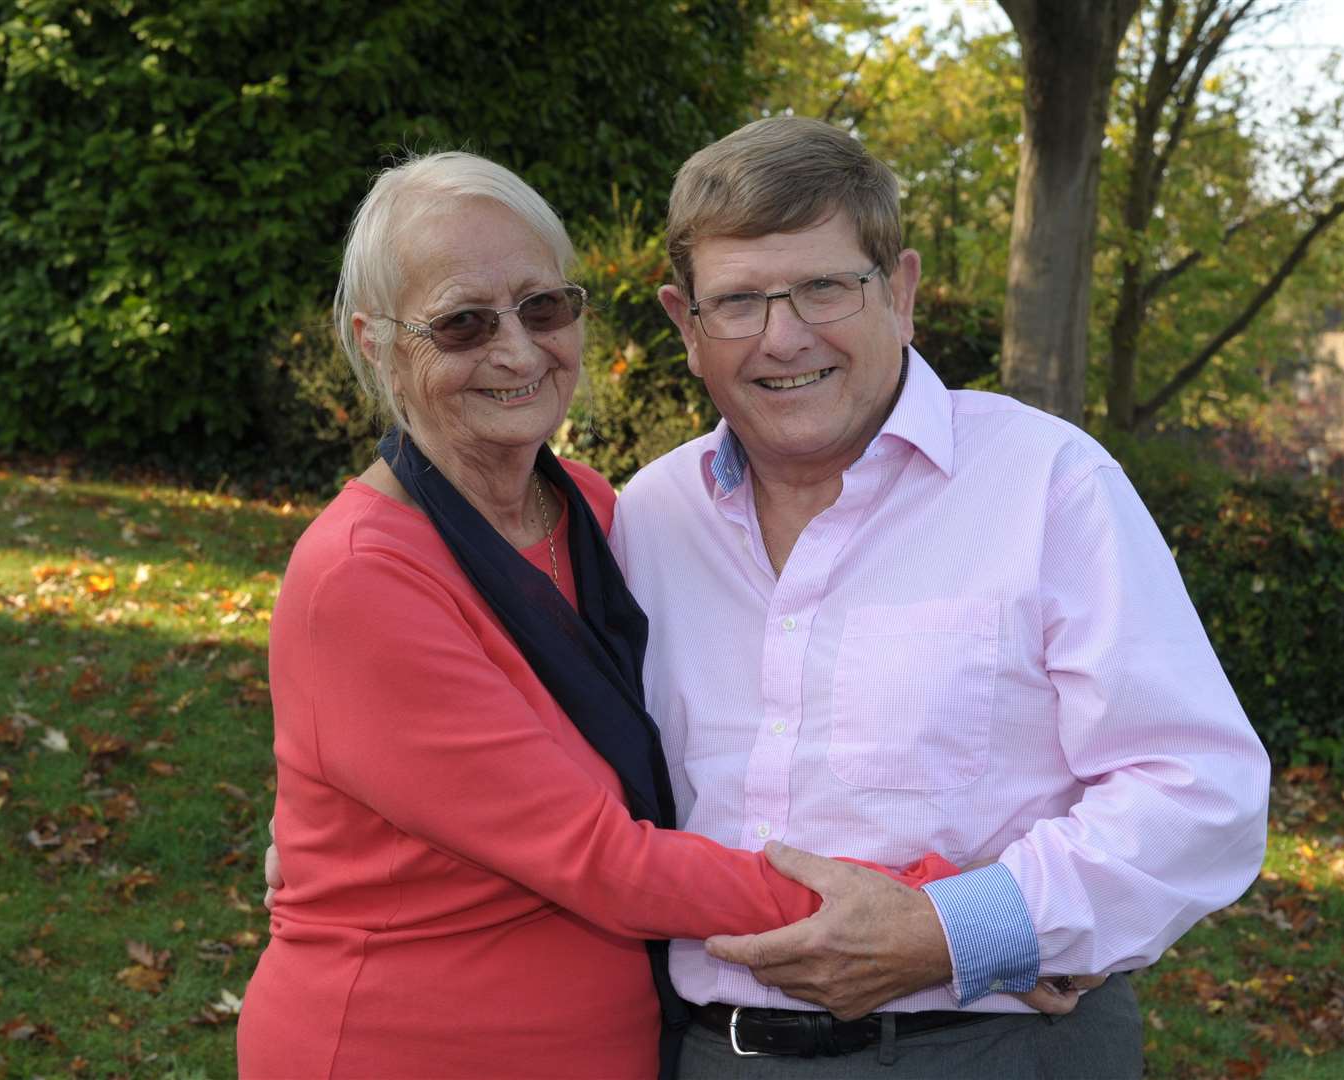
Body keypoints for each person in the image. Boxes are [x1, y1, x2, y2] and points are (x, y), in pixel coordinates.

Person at [234, 150, 960, 1080]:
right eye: (461, 324)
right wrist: (936, 921)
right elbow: (599, 856)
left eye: (543, 307)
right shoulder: (361, 579)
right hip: (410, 1045)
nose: (516, 350)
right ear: (378, 345)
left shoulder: (591, 510)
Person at [600, 115, 1273, 1076]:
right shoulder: (647, 520)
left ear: (901, 290)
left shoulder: (1046, 484)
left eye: (825, 287)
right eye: (739, 301)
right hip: (707, 1053)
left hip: (988, 1046)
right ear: (685, 325)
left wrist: (956, 932)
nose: (783, 337)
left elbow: (1198, 790)